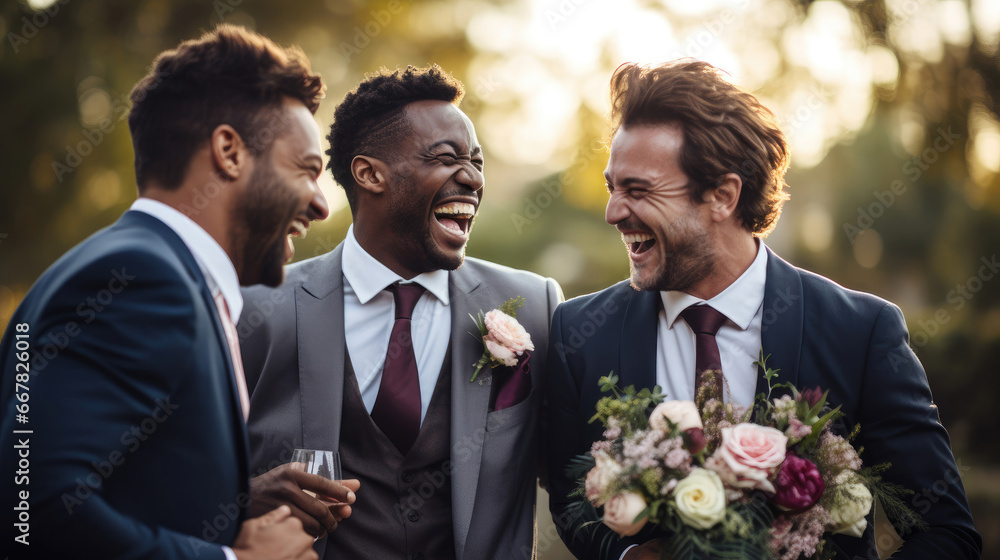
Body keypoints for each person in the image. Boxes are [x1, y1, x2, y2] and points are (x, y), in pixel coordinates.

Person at [544, 60, 982, 560]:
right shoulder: (579, 333)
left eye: (638, 190)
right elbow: (570, 501)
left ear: (723, 196)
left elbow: (945, 532)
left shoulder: (860, 332)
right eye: (612, 188)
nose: (613, 212)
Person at [0, 25, 356, 560]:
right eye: (307, 170)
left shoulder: (133, 267)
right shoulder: (142, 281)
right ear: (229, 152)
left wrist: (236, 504)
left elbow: (105, 484)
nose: (321, 205)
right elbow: (28, 509)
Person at [239, 64, 564, 560]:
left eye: (477, 162)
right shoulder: (260, 307)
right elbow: (181, 479)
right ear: (370, 174)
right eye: (446, 158)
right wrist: (243, 500)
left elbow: (573, 475)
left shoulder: (536, 305)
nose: (472, 178)